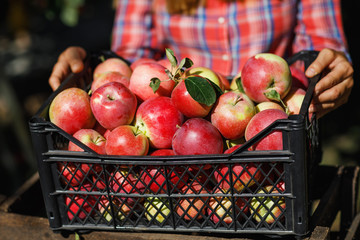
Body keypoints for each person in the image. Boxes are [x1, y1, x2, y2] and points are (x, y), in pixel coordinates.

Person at [48, 0, 354, 118]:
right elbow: (134, 64)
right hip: (182, 136)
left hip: (275, 128)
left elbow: (319, 46)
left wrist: (328, 68)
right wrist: (94, 68)